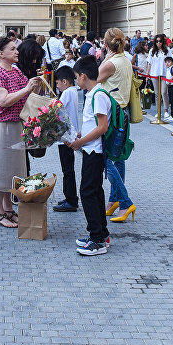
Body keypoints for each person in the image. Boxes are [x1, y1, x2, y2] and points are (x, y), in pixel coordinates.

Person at [0, 37, 40, 229]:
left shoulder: (15, 71)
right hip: (0, 127)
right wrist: (27, 88)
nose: (17, 52)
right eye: (13, 49)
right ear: (1, 53)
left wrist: (34, 85)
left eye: (17, 49)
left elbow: (27, 93)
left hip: (15, 125)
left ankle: (8, 209)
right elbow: (4, 101)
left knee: (11, 171)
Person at [68, 55, 112, 256]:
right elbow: (93, 124)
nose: (76, 81)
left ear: (84, 76)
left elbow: (102, 127)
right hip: (90, 148)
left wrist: (80, 141)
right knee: (94, 191)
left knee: (87, 192)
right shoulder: (93, 93)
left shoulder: (98, 95)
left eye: (77, 77)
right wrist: (81, 135)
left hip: (94, 150)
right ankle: (101, 233)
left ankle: (97, 239)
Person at [96, 28, 136, 223]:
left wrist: (105, 57)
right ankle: (114, 200)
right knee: (118, 158)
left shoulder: (109, 64)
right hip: (124, 113)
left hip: (112, 114)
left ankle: (125, 202)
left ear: (105, 44)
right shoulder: (126, 60)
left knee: (108, 160)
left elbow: (96, 80)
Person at [52, 66, 81, 213]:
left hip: (66, 136)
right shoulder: (72, 91)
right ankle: (69, 197)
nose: (56, 86)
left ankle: (71, 200)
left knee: (67, 170)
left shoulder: (67, 93)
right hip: (69, 134)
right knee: (67, 169)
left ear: (64, 81)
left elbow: (57, 110)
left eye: (57, 83)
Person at [148, 35, 171, 121]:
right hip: (154, 73)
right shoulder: (152, 51)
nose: (159, 43)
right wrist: (147, 74)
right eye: (157, 41)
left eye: (160, 41)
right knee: (157, 93)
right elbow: (149, 63)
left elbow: (171, 60)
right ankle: (158, 111)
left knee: (164, 92)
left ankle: (166, 110)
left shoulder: (167, 50)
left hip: (164, 74)